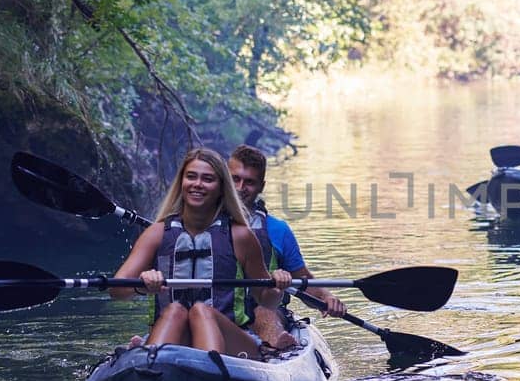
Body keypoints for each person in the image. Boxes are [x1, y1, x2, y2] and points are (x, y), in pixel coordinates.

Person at [108, 147, 295, 357]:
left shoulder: (241, 236)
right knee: (175, 310)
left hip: (232, 342)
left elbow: (265, 299)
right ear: (181, 183)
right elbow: (117, 290)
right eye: (191, 177)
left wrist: (277, 285)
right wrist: (142, 286)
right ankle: (152, 363)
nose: (197, 184)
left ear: (221, 188)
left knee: (201, 311)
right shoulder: (157, 233)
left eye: (207, 179)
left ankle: (205, 370)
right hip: (176, 335)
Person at [229, 145, 347, 319]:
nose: (240, 188)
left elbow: (304, 281)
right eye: (235, 179)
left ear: (261, 187)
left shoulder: (278, 230)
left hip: (268, 313)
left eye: (250, 182)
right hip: (221, 314)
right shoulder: (204, 223)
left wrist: (326, 298)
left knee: (264, 314)